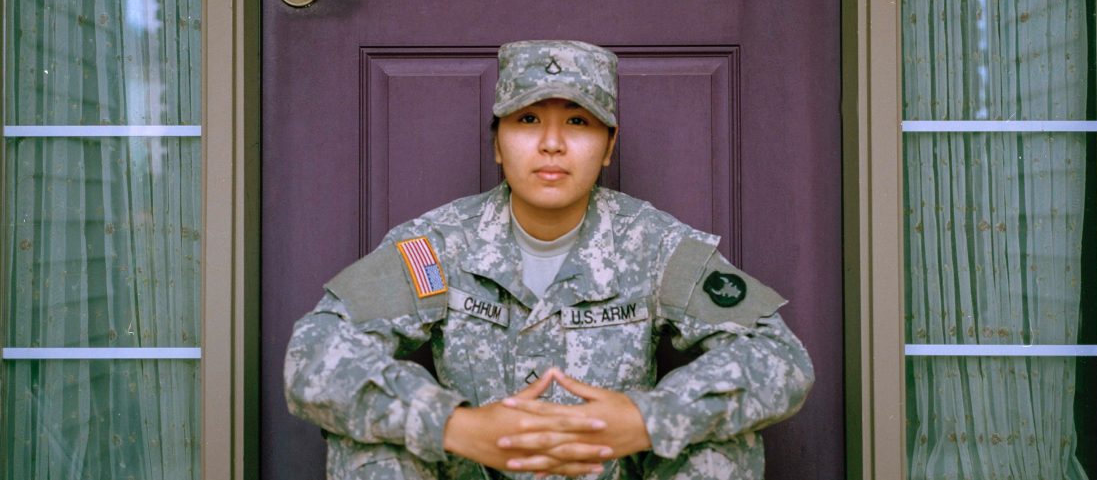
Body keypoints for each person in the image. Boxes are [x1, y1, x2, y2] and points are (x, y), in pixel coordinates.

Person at [284, 40, 814, 480]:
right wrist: (454, 427)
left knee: (723, 451)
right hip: (476, 472)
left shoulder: (654, 244)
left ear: (609, 147)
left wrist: (648, 418)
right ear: (497, 142)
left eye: (580, 122)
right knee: (367, 450)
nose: (553, 143)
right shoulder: (438, 244)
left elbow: (780, 357)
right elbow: (314, 355)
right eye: (529, 118)